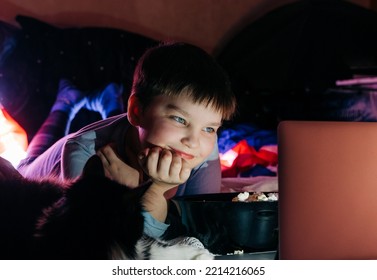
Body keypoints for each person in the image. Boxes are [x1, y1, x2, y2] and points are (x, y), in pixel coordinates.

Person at [17, 41, 237, 238]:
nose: (193, 141)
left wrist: (153, 191)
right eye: (179, 119)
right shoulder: (84, 152)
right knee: (31, 156)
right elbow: (98, 242)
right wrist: (142, 192)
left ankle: (95, 100)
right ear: (137, 110)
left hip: (129, 128)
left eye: (209, 128)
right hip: (31, 174)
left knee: (132, 130)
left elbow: (203, 229)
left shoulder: (202, 146)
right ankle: (65, 103)